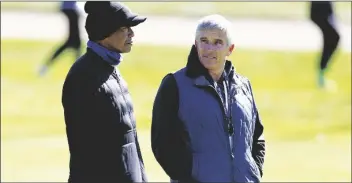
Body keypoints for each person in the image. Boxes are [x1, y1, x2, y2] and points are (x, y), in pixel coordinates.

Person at [151, 14, 265, 183]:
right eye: (203, 40)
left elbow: (257, 136)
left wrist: (254, 170)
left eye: (218, 42)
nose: (209, 48)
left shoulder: (243, 85)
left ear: (230, 49)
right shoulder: (174, 84)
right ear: (195, 44)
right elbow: (163, 144)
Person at [61, 2, 147, 182]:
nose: (132, 33)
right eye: (125, 28)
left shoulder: (110, 69)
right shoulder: (83, 76)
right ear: (105, 33)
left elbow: (131, 142)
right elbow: (86, 151)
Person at [39, 1, 82, 76]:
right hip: (70, 8)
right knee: (73, 42)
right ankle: (79, 71)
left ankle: (79, 70)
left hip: (71, 8)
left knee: (75, 43)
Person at [310, 1, 340, 88]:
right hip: (320, 9)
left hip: (327, 9)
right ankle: (321, 75)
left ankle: (321, 75)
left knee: (332, 38)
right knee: (333, 37)